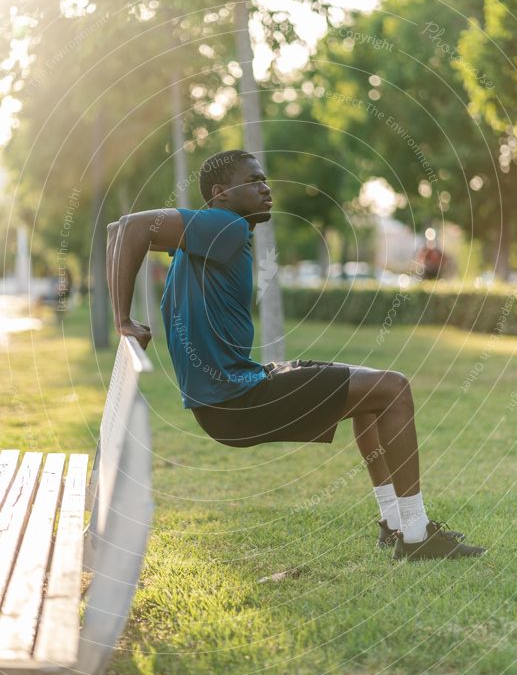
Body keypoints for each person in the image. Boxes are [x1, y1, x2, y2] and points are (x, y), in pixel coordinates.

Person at [106, 149, 486, 562]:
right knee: (394, 389)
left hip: (229, 397)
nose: (266, 188)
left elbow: (116, 231)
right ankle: (415, 536)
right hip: (237, 398)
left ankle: (395, 525)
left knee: (370, 388)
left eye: (264, 179)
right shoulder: (226, 226)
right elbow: (131, 227)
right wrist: (122, 319)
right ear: (220, 194)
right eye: (253, 181)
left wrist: (124, 314)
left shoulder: (201, 237)